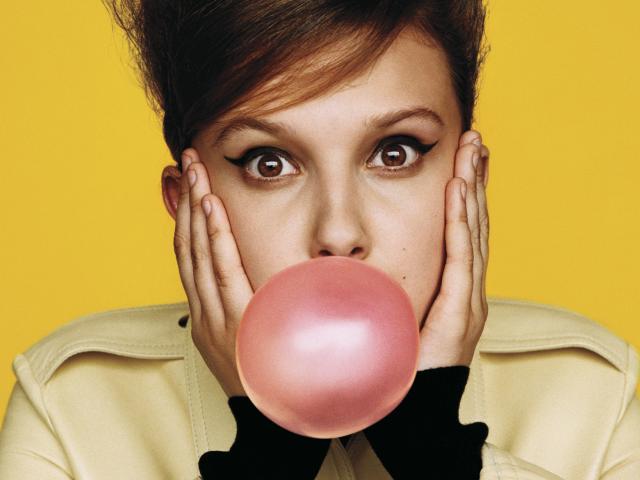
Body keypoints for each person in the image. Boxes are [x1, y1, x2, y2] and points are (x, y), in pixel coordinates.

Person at [1, 1, 639, 479]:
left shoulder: (599, 394)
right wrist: (267, 460)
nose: (338, 232)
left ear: (470, 178)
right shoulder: (68, 407)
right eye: (268, 163)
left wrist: (439, 459)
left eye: (395, 152)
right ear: (185, 202)